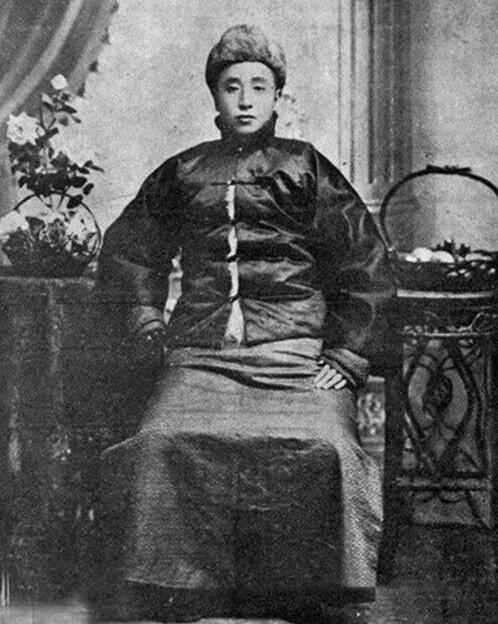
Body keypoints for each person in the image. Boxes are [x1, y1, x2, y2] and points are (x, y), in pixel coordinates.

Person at [94, 24, 393, 624]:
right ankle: (175, 589)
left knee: (328, 449)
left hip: (294, 355)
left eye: (259, 86)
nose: (247, 100)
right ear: (215, 96)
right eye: (233, 87)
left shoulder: (306, 168)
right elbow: (130, 252)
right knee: (161, 443)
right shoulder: (183, 172)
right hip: (202, 355)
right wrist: (147, 322)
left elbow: (364, 260)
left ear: (278, 95)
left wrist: (345, 354)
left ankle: (310, 592)